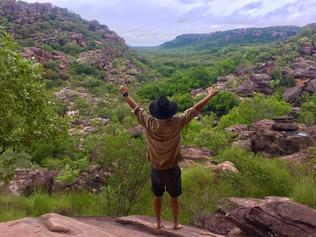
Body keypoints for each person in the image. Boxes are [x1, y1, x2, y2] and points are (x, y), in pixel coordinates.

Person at [119, 85, 218, 230]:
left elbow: (135, 107)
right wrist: (210, 95)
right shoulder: (176, 122)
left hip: (156, 169)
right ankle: (175, 223)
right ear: (170, 112)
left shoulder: (149, 122)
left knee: (157, 196)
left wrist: (125, 94)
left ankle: (158, 223)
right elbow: (195, 109)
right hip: (171, 168)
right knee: (174, 197)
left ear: (156, 112)